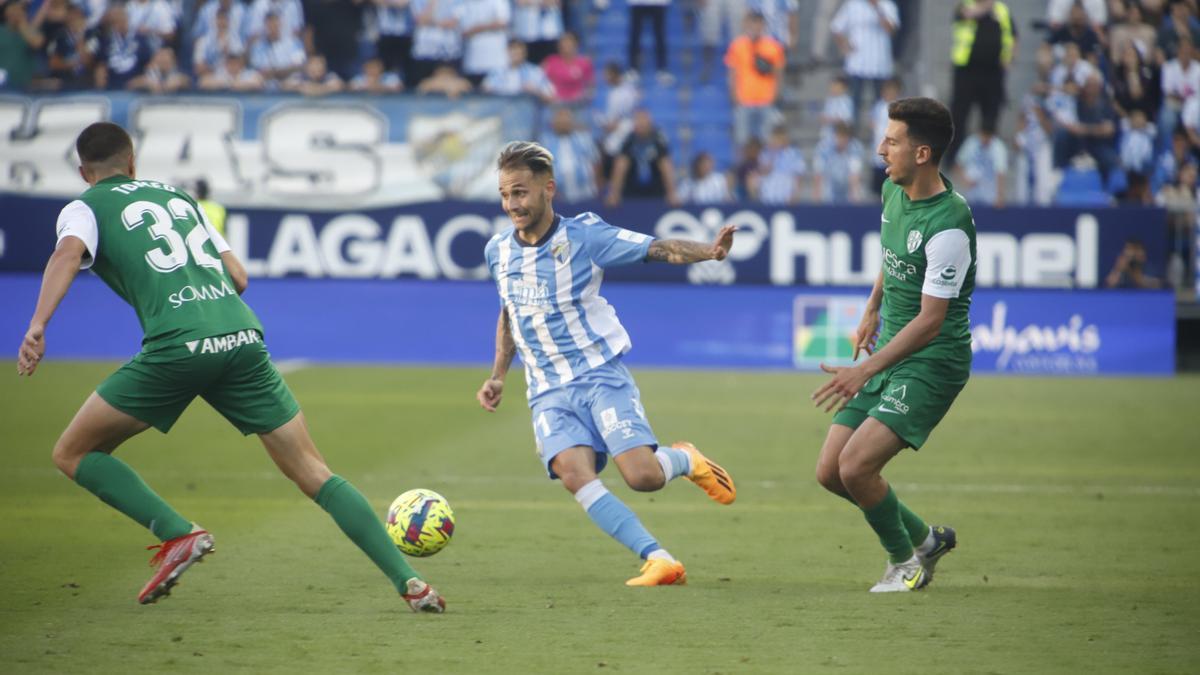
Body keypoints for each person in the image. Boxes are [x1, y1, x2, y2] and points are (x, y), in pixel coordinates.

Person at [16, 122, 444, 612]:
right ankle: (411, 583)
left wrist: (38, 324)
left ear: (82, 171)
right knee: (312, 470)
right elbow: (238, 276)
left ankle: (177, 533)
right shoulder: (180, 199)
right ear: (133, 163)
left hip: (177, 345)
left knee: (72, 452)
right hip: (242, 337)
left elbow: (67, 254)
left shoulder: (84, 207)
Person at [478, 141, 738, 586]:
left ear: (548, 189)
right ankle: (659, 559)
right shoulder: (497, 251)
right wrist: (498, 374)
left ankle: (684, 459)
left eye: (520, 192)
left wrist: (709, 253)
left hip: (599, 374)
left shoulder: (584, 237)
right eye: (505, 195)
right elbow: (510, 314)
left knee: (642, 477)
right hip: (546, 389)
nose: (512, 204)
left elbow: (657, 248)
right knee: (572, 474)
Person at [811, 97, 971, 593]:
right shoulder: (891, 192)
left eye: (893, 141)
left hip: (930, 361)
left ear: (922, 153)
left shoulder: (949, 224)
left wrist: (863, 370)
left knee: (857, 466)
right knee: (830, 473)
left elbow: (930, 322)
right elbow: (892, 253)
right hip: (889, 350)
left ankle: (905, 565)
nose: (882, 149)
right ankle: (925, 539)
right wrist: (872, 306)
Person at [945, 0, 1016, 168]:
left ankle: (988, 160)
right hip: (967, 71)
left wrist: (1010, 58)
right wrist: (988, 6)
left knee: (991, 114)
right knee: (959, 115)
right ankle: (953, 159)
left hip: (993, 72)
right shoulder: (965, 5)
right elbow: (967, 15)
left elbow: (1012, 35)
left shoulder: (1002, 10)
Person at [725, 11, 784, 150]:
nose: (756, 27)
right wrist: (734, 95)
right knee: (742, 142)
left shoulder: (773, 47)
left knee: (767, 142)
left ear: (764, 26)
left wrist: (775, 94)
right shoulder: (737, 46)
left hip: (766, 99)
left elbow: (778, 73)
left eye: (759, 24)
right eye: (753, 23)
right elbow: (732, 72)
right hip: (744, 99)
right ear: (747, 24)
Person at [830, 0, 900, 119]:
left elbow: (891, 30)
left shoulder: (887, 5)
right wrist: (844, 45)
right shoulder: (852, 5)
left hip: (880, 65)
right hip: (857, 64)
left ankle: (879, 132)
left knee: (880, 105)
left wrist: (877, 8)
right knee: (854, 104)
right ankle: (853, 133)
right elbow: (836, 27)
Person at [605, 109, 680, 206]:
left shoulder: (658, 141)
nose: (640, 124)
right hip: (631, 193)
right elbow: (620, 168)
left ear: (649, 122)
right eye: (637, 120)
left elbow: (666, 167)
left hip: (656, 193)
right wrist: (614, 194)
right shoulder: (629, 141)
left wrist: (672, 193)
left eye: (642, 120)